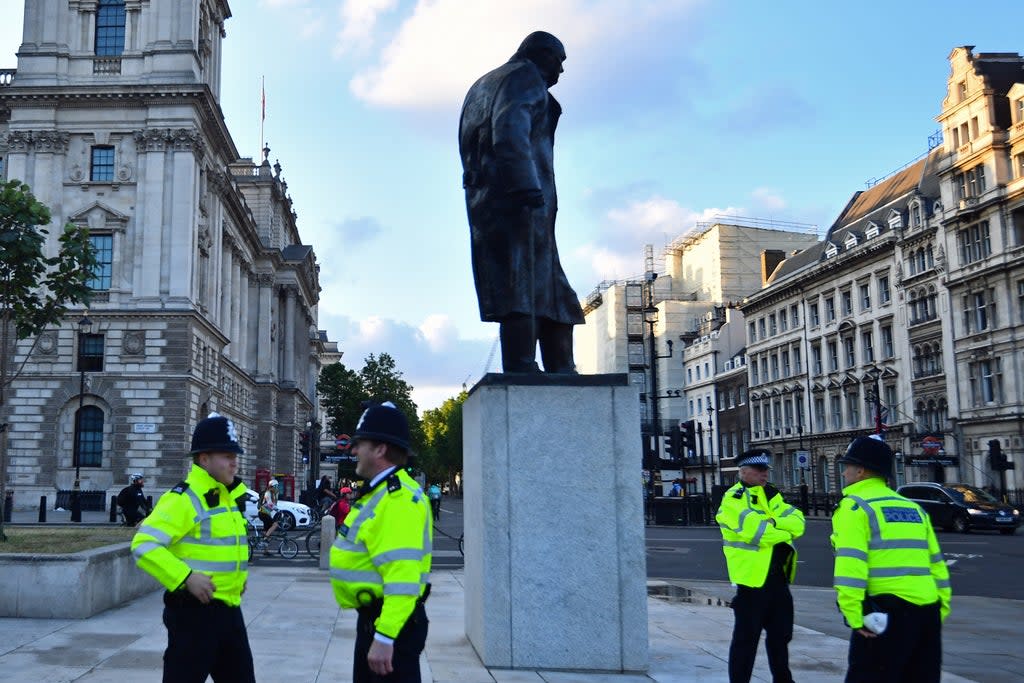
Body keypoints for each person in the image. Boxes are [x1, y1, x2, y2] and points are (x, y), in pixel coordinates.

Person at [459, 31, 585, 373]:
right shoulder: (523, 76)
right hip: (521, 200)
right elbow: (510, 128)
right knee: (524, 284)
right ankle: (524, 365)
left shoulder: (484, 84)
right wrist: (525, 185)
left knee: (549, 289)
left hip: (492, 203)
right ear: (539, 54)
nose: (561, 71)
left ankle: (560, 366)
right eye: (558, 61)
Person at [130, 412, 255, 682]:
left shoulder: (226, 495)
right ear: (204, 458)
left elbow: (219, 548)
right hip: (193, 615)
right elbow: (144, 544)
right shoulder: (183, 498)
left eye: (235, 455)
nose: (235, 462)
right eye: (227, 456)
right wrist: (186, 578)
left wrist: (236, 578)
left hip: (229, 610)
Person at [831, 436, 951, 683]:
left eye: (847, 467)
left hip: (883, 613)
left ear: (861, 470)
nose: (844, 474)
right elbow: (937, 565)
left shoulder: (855, 507)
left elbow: (850, 567)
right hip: (927, 611)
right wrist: (940, 609)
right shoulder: (912, 508)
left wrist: (855, 615)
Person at [329, 401, 432, 682]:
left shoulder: (398, 499)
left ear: (380, 449)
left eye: (359, 443)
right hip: (376, 619)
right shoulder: (381, 493)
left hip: (390, 624)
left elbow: (403, 575)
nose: (352, 450)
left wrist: (385, 636)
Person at [715, 449, 805, 683]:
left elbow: (799, 522)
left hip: (778, 579)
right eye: (759, 470)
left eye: (766, 469)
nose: (765, 474)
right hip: (752, 582)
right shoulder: (733, 499)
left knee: (781, 636)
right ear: (743, 472)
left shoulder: (772, 494)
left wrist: (773, 522)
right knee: (746, 641)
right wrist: (782, 530)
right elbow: (759, 534)